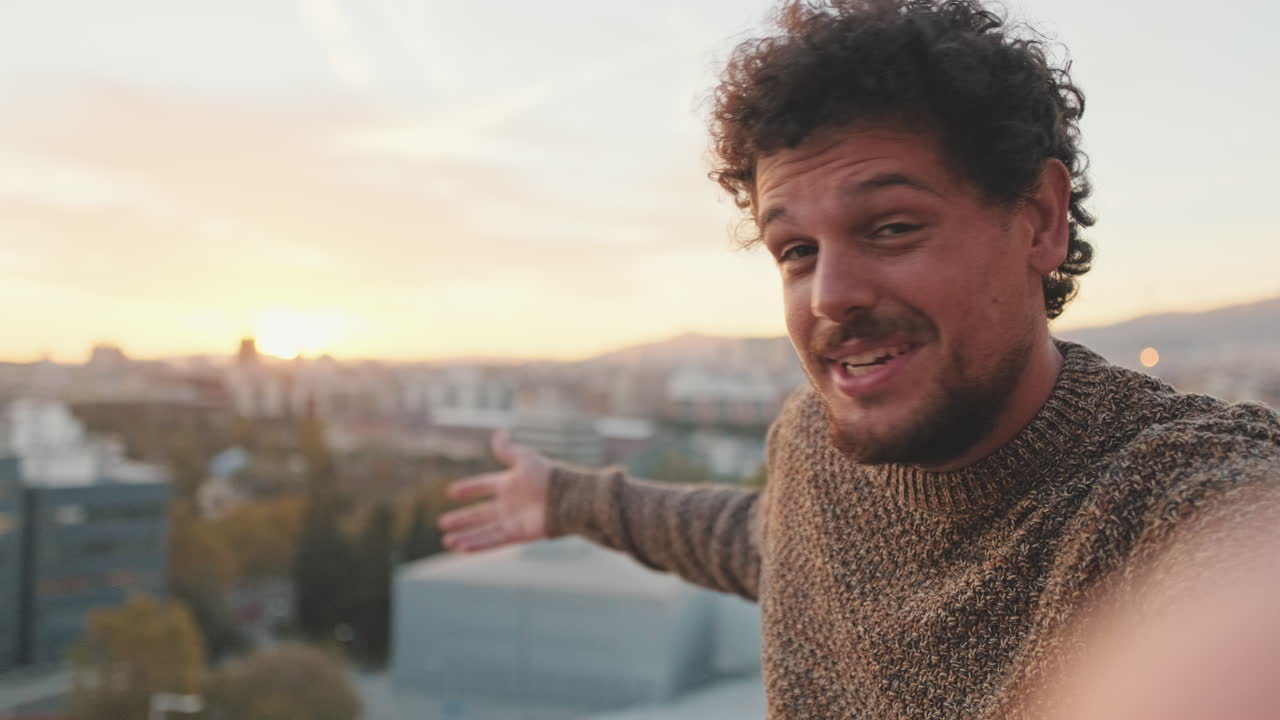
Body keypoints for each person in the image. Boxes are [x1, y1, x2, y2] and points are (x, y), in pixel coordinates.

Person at [438, 1, 1280, 717]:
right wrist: (570, 499)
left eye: (891, 227)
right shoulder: (809, 443)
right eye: (795, 249)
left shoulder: (1179, 497)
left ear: (1039, 220)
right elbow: (764, 544)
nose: (828, 294)